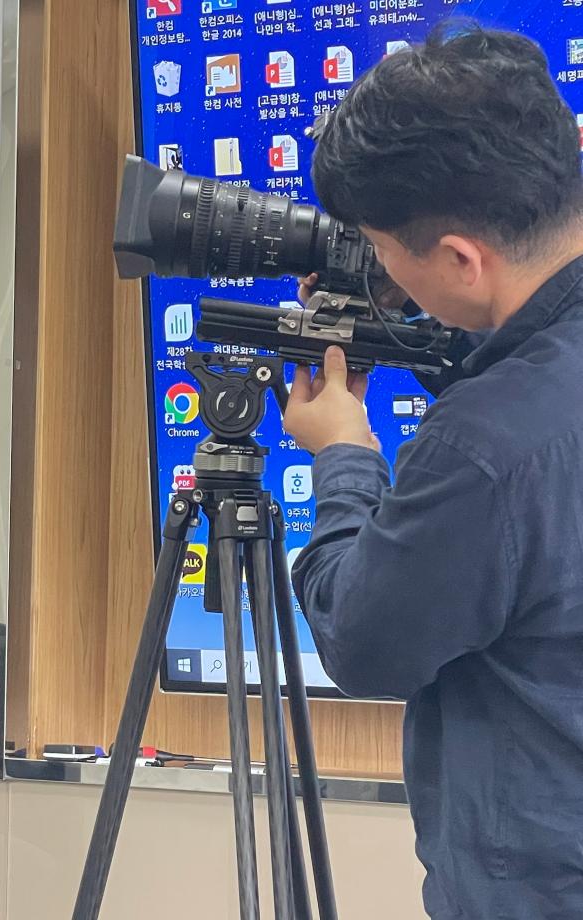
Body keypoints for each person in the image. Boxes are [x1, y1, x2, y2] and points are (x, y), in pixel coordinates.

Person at [282, 25, 583, 920]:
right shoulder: (516, 412)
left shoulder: (482, 447)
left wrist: (344, 456)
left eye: (383, 248)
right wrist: (419, 327)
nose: (381, 266)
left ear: (460, 258)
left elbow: (365, 644)